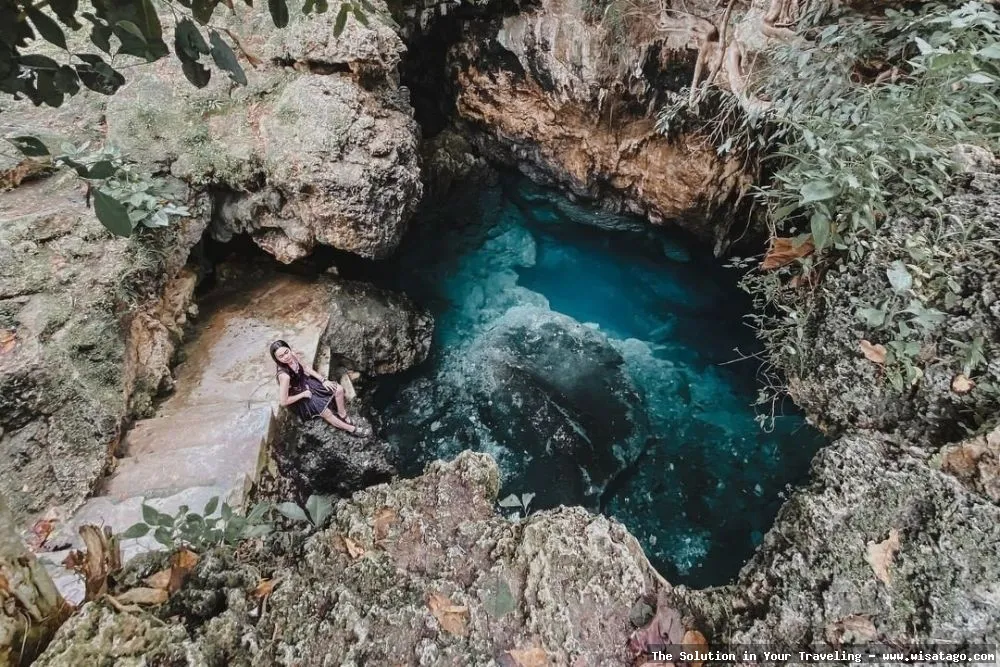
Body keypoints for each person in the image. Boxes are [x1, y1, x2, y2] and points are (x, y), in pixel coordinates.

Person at [269, 340, 370, 437]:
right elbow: (284, 401)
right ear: (276, 359)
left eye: (286, 352)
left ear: (289, 349)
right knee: (326, 412)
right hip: (298, 394)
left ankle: (342, 414)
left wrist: (323, 380)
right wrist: (303, 394)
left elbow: (306, 368)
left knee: (338, 389)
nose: (286, 357)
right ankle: (351, 429)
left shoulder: (293, 356)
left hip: (305, 381)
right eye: (281, 356)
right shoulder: (284, 376)